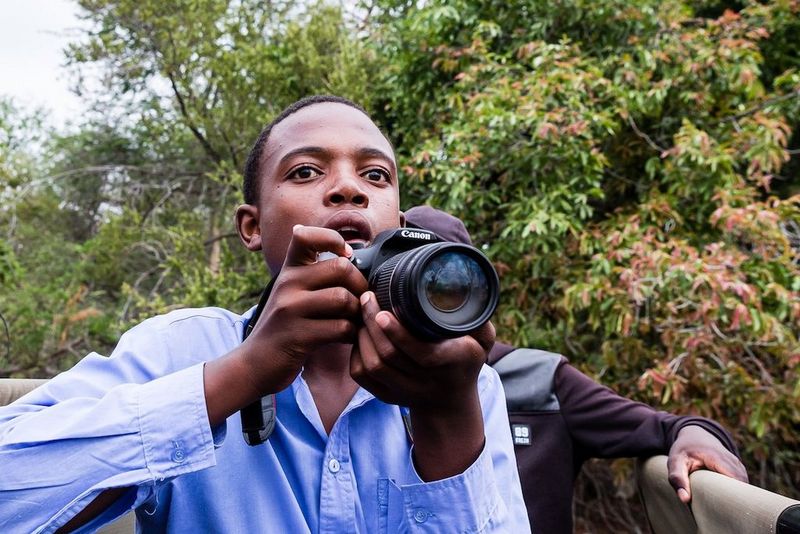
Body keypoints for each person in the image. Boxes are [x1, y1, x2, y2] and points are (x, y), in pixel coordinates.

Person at [0, 96, 529, 533]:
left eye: (376, 174)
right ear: (251, 227)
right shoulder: (181, 351)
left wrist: (449, 417)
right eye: (305, 171)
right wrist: (243, 371)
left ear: (398, 219)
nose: (350, 188)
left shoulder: (465, 382)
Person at [403, 205, 749, 534]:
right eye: (402, 277)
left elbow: (668, 427)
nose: (427, 299)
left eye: (445, 283)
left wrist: (697, 439)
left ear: (476, 290)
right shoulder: (359, 385)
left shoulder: (538, 381)